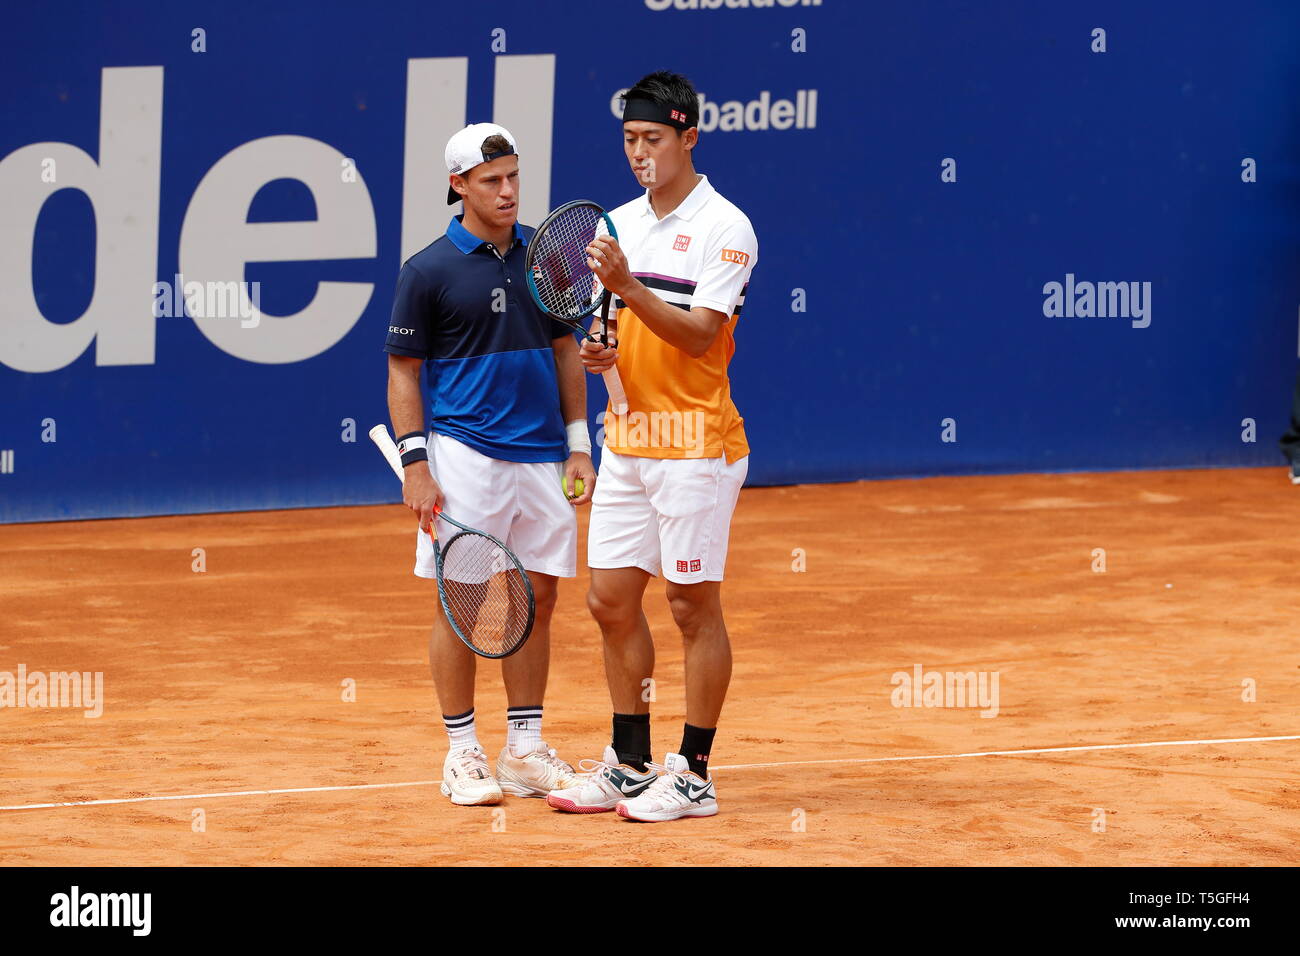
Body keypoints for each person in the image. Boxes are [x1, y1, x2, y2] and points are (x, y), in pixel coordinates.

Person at [546, 72, 758, 822]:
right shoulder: (617, 225)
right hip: (627, 441)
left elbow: (701, 337)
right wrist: (604, 350)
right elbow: (608, 331)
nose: (640, 154)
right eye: (630, 140)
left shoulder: (728, 227)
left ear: (689, 138)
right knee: (609, 601)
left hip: (696, 444)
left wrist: (631, 289)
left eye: (654, 140)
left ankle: (694, 772)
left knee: (691, 606)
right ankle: (630, 762)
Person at [385, 123, 595, 806]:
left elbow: (566, 350)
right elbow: (404, 370)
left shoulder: (543, 252)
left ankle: (525, 751)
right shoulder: (426, 270)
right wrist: (417, 463)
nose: (507, 192)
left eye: (512, 178)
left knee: (538, 598)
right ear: (459, 187)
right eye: (490, 182)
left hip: (542, 458)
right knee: (465, 604)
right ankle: (462, 752)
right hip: (465, 454)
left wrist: (578, 443)